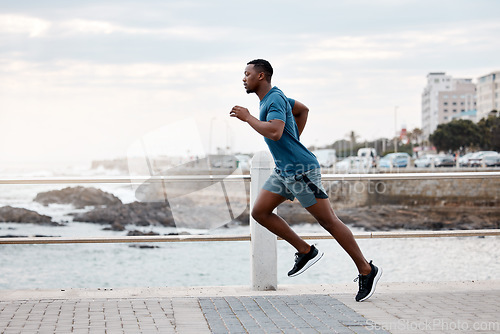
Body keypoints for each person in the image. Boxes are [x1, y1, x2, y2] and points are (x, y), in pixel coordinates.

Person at [230, 59, 382, 302]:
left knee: (329, 221)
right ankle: (305, 250)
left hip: (301, 170)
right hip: (283, 170)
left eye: (247, 74)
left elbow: (275, 131)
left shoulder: (275, 99)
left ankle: (366, 269)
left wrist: (248, 118)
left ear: (260, 76)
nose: (243, 78)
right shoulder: (275, 98)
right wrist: (294, 140)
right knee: (259, 212)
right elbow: (303, 110)